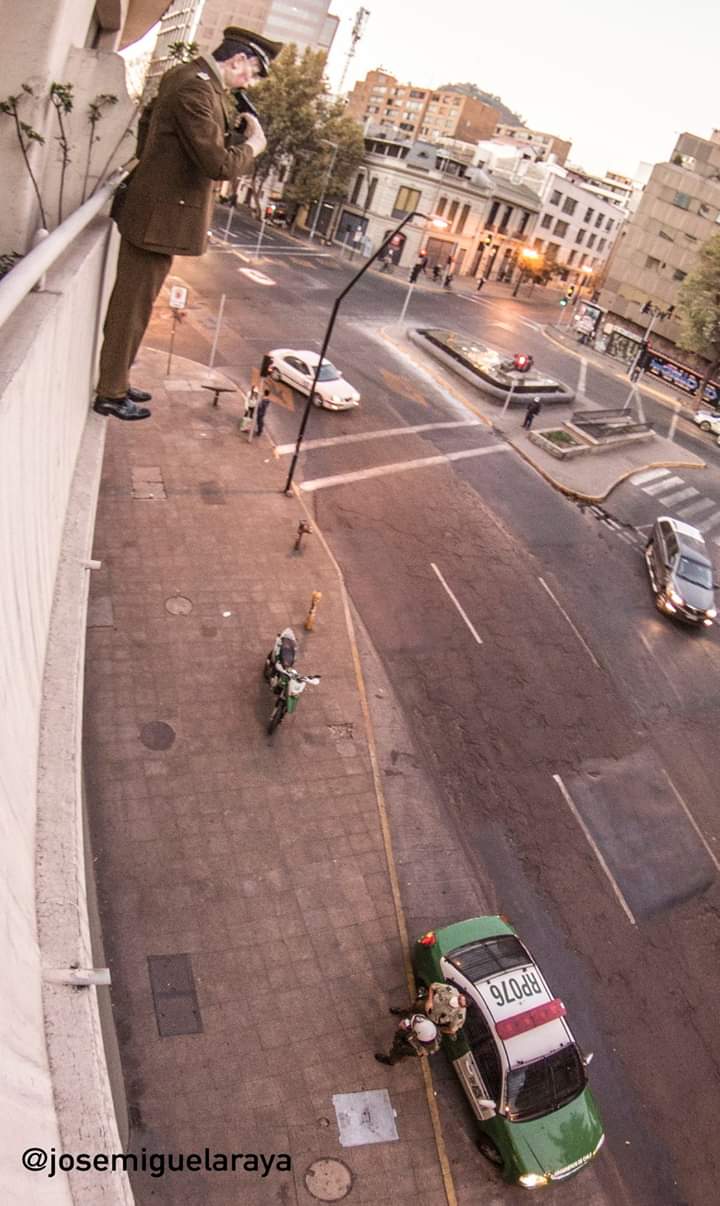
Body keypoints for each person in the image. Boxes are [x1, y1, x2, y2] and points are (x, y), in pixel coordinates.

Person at [94, 25, 281, 421]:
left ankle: (118, 381)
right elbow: (217, 164)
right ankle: (110, 392)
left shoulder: (195, 81)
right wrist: (254, 145)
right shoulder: (196, 89)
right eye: (251, 73)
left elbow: (157, 138)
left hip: (157, 214)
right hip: (157, 219)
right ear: (239, 60)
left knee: (137, 309)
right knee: (130, 310)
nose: (249, 82)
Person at [389, 982, 467, 1037]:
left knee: (415, 1028)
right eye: (459, 999)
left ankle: (403, 1032)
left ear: (463, 1006)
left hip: (430, 1020)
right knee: (412, 1009)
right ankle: (401, 1012)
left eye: (460, 1004)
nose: (458, 1001)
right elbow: (433, 986)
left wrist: (437, 1029)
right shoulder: (450, 990)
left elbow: (452, 1030)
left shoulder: (460, 1014)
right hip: (425, 1006)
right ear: (460, 995)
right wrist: (430, 1000)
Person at [375, 1013, 440, 1066]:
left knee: (399, 1050)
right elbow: (415, 1020)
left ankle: (391, 1061)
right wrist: (406, 1024)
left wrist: (404, 1032)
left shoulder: (419, 1046)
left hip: (413, 1047)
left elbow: (416, 1047)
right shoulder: (427, 1028)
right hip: (415, 1038)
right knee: (401, 1043)